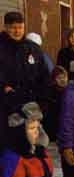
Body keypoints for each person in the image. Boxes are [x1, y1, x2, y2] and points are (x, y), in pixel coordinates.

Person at [0, 11, 50, 150]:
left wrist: (43, 103)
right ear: (5, 27)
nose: (17, 31)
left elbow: (44, 77)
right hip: (6, 109)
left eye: (20, 27)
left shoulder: (32, 49)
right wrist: (4, 89)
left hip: (31, 108)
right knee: (9, 149)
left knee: (32, 147)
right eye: (13, 27)